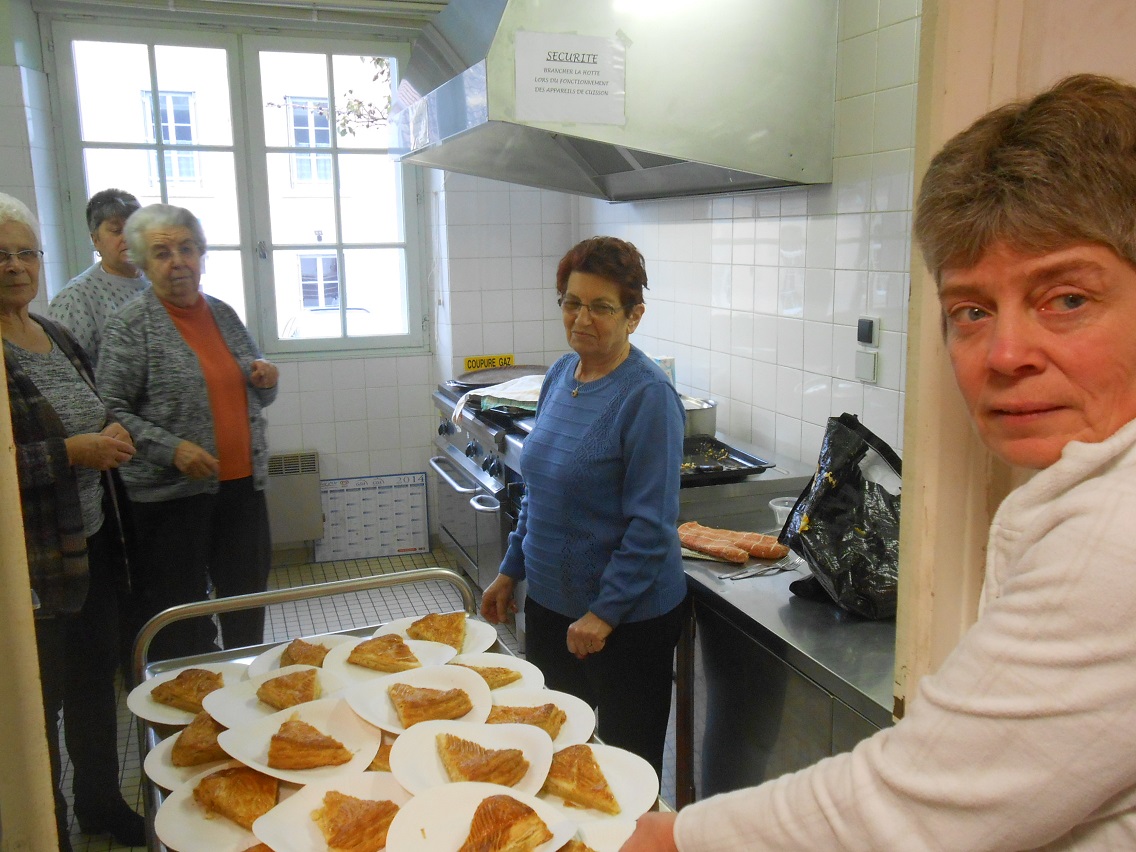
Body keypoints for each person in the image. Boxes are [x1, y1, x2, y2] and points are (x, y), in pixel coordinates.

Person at [623, 73, 1136, 851]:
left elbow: (913, 811)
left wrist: (669, 840)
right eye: (970, 309)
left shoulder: (1113, 533)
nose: (1003, 354)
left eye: (1065, 297)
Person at [480, 236, 687, 779]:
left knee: (622, 770)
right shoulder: (558, 376)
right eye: (572, 303)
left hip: (626, 623)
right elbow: (538, 490)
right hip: (551, 607)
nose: (582, 318)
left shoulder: (648, 397)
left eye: (601, 307)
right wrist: (510, 570)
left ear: (633, 316)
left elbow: (651, 526)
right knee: (555, 755)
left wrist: (605, 612)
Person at [0, 192, 144, 849]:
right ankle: (45, 826)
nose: (14, 266)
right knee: (39, 708)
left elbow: (91, 408)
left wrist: (106, 431)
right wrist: (71, 452)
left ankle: (101, 806)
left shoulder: (51, 334)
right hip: (30, 569)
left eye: (25, 253)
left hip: (89, 546)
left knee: (93, 689)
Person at [97, 203, 279, 661]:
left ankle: (247, 698)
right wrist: (172, 450)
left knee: (246, 603)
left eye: (187, 248)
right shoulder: (129, 325)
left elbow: (254, 392)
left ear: (201, 254)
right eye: (162, 252)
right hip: (171, 499)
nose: (178, 261)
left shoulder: (222, 313)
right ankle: (193, 711)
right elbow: (111, 412)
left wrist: (266, 380)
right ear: (140, 261)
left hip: (242, 489)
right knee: (182, 619)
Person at [48, 188, 147, 366]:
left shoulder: (158, 282)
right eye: (117, 231)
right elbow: (64, 370)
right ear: (95, 240)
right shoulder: (76, 297)